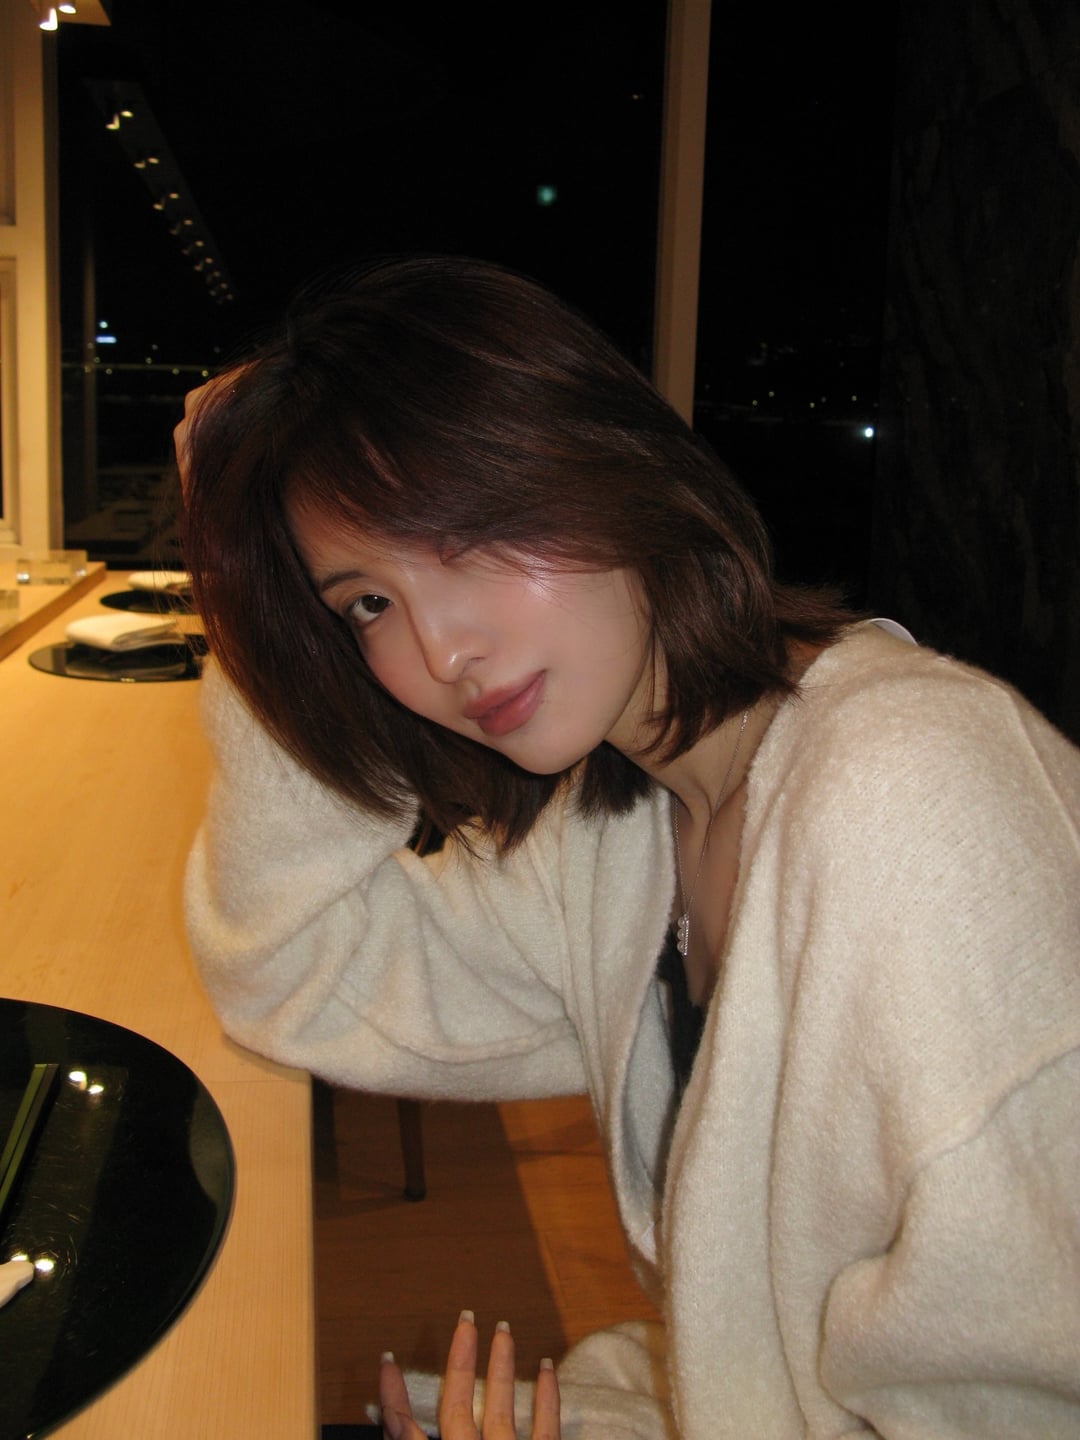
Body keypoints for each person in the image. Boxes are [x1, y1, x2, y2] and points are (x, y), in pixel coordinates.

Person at [177, 255, 1080, 1440]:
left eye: (463, 535)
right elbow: (292, 972)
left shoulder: (913, 801)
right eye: (367, 604)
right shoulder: (620, 833)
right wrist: (261, 623)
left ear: (604, 467)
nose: (442, 651)